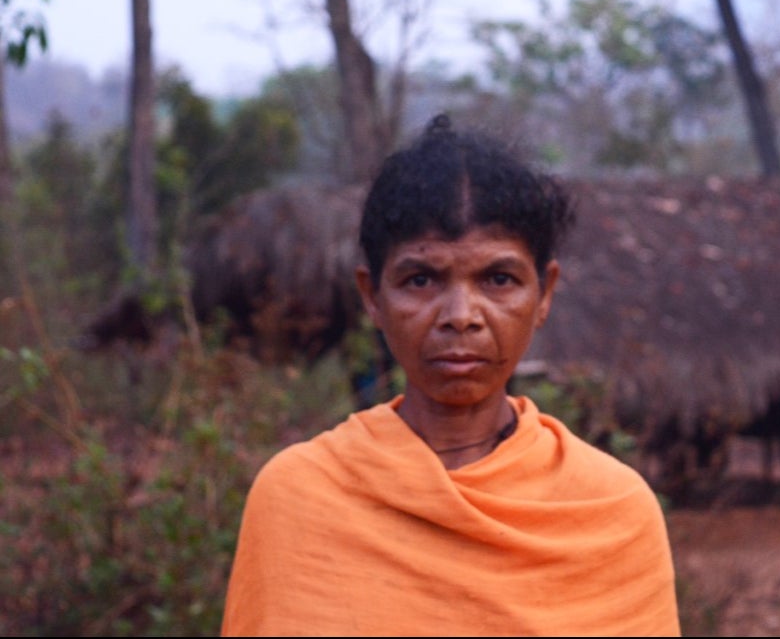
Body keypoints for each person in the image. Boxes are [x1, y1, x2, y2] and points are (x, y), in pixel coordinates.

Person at [220, 114, 681, 637]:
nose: (461, 314)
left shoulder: (610, 511)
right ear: (372, 296)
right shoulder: (299, 496)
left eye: (499, 279)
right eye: (421, 279)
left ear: (544, 294)